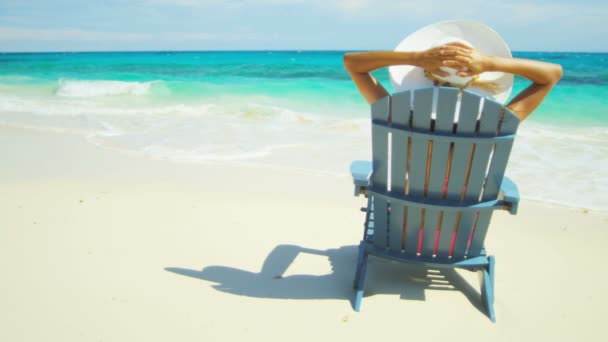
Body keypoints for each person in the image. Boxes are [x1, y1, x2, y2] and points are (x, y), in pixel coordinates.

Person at [343, 21, 562, 121]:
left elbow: (353, 64)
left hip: (402, 212)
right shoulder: (495, 124)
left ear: (428, 72)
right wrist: (490, 62)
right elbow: (552, 74)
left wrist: (416, 58)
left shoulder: (398, 115)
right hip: (469, 215)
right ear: (476, 76)